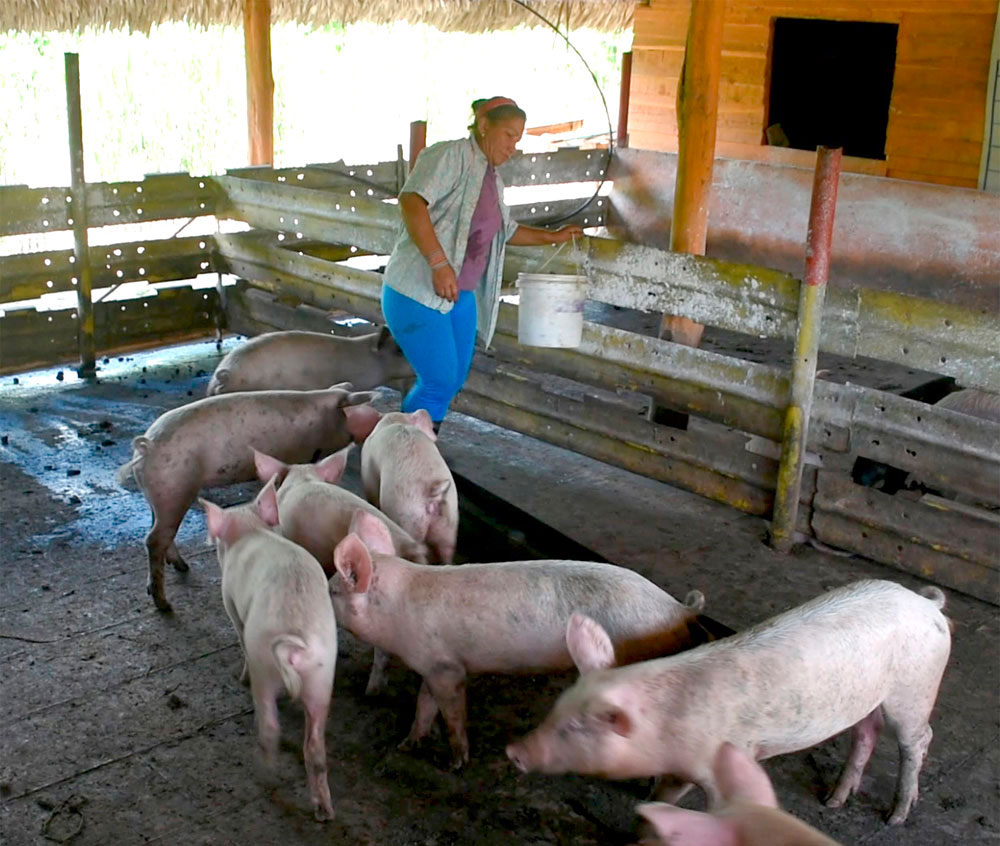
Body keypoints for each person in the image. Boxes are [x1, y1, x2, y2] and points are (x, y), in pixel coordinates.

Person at [380, 96, 584, 433]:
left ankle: (416, 451)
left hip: (461, 294)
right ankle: (402, 455)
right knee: (439, 381)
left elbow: (506, 230)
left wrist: (553, 237)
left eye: (517, 139)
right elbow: (411, 200)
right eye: (508, 135)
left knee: (453, 378)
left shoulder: (492, 178)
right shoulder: (451, 155)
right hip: (418, 291)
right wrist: (438, 262)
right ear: (484, 126)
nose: (512, 147)